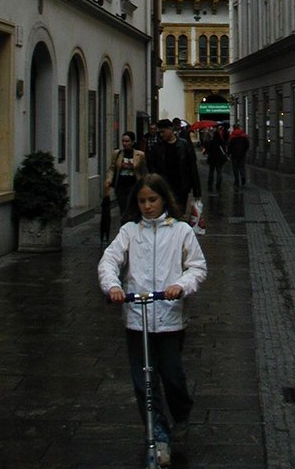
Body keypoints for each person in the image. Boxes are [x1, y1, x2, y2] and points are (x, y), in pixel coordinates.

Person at [98, 174, 207, 466]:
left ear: (163, 199)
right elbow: (109, 260)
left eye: (152, 200)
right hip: (137, 318)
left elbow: (197, 267)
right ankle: (158, 435)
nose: (147, 206)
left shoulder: (181, 230)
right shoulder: (130, 232)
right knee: (143, 380)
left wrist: (181, 286)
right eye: (142, 201)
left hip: (170, 317)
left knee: (172, 376)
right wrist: (114, 287)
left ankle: (181, 414)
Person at [147, 119, 201, 215]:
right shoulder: (157, 147)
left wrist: (197, 191)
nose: (161, 135)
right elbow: (152, 167)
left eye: (163, 132)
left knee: (179, 214)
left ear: (170, 129)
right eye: (159, 132)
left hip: (181, 187)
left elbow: (192, 167)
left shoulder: (184, 145)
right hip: (164, 187)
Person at [105, 132, 146, 221]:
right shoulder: (117, 154)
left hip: (134, 185)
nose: (124, 143)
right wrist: (109, 179)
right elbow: (112, 168)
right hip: (121, 186)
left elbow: (143, 171)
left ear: (132, 142)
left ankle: (133, 224)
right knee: (123, 209)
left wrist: (145, 185)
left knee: (133, 207)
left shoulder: (140, 155)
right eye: (123, 141)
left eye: (127, 141)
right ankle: (124, 227)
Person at [202, 124, 228, 193]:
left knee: (211, 172)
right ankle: (218, 185)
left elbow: (207, 149)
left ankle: (210, 184)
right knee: (219, 172)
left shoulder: (211, 142)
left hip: (212, 159)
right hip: (219, 159)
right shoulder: (221, 142)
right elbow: (224, 150)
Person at [227, 124, 250, 189]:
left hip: (234, 155)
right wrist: (244, 151)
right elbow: (247, 145)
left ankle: (237, 181)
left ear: (234, 128)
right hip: (242, 154)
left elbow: (229, 146)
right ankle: (243, 176)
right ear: (239, 128)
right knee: (242, 167)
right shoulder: (243, 135)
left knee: (235, 169)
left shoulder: (232, 136)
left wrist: (229, 153)